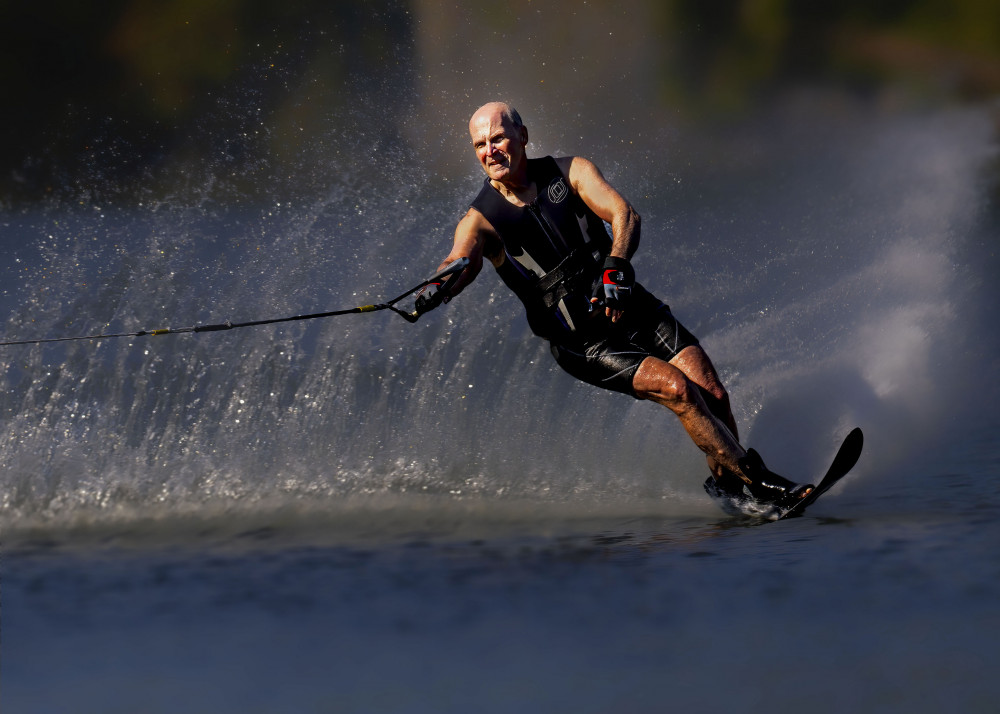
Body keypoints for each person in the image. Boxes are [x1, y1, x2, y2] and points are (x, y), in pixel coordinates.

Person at [415, 101, 812, 517]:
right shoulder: (480, 220)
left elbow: (624, 214)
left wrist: (617, 264)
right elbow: (460, 261)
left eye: (498, 138)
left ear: (523, 136)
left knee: (713, 394)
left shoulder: (571, 172)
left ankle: (731, 488)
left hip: (628, 304)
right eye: (480, 145)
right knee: (678, 389)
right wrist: (438, 286)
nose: (490, 151)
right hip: (582, 341)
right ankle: (761, 483)